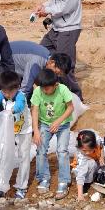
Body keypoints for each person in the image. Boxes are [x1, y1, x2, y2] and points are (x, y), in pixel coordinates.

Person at [34, 0, 82, 91]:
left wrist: (46, 11)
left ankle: (75, 97)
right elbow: (55, 0)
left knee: (63, 67)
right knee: (41, 52)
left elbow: (65, 6)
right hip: (57, 28)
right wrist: (43, 5)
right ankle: (50, 88)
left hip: (68, 29)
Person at [0, 70, 30, 198]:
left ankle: (21, 187)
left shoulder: (20, 96)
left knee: (24, 156)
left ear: (17, 87)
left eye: (9, 91)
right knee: (4, 155)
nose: (7, 94)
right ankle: (0, 185)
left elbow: (19, 106)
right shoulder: (2, 94)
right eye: (4, 91)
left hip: (24, 130)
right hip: (9, 131)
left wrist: (10, 111)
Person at [31, 68, 75, 199]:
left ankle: (64, 181)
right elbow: (35, 110)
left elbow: (71, 107)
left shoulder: (63, 89)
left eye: (47, 88)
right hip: (45, 123)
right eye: (42, 88)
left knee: (62, 151)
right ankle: (44, 178)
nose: (45, 91)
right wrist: (36, 131)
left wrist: (58, 121)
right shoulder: (38, 91)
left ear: (55, 85)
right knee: (40, 149)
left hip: (63, 124)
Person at [73, 129, 105, 201]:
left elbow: (101, 146)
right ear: (80, 148)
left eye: (90, 150)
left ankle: (98, 176)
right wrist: (80, 195)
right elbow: (81, 176)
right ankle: (87, 183)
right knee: (90, 164)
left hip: (96, 156)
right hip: (83, 166)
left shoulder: (97, 140)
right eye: (84, 150)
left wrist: (101, 157)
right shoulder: (82, 155)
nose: (87, 153)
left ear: (94, 146)